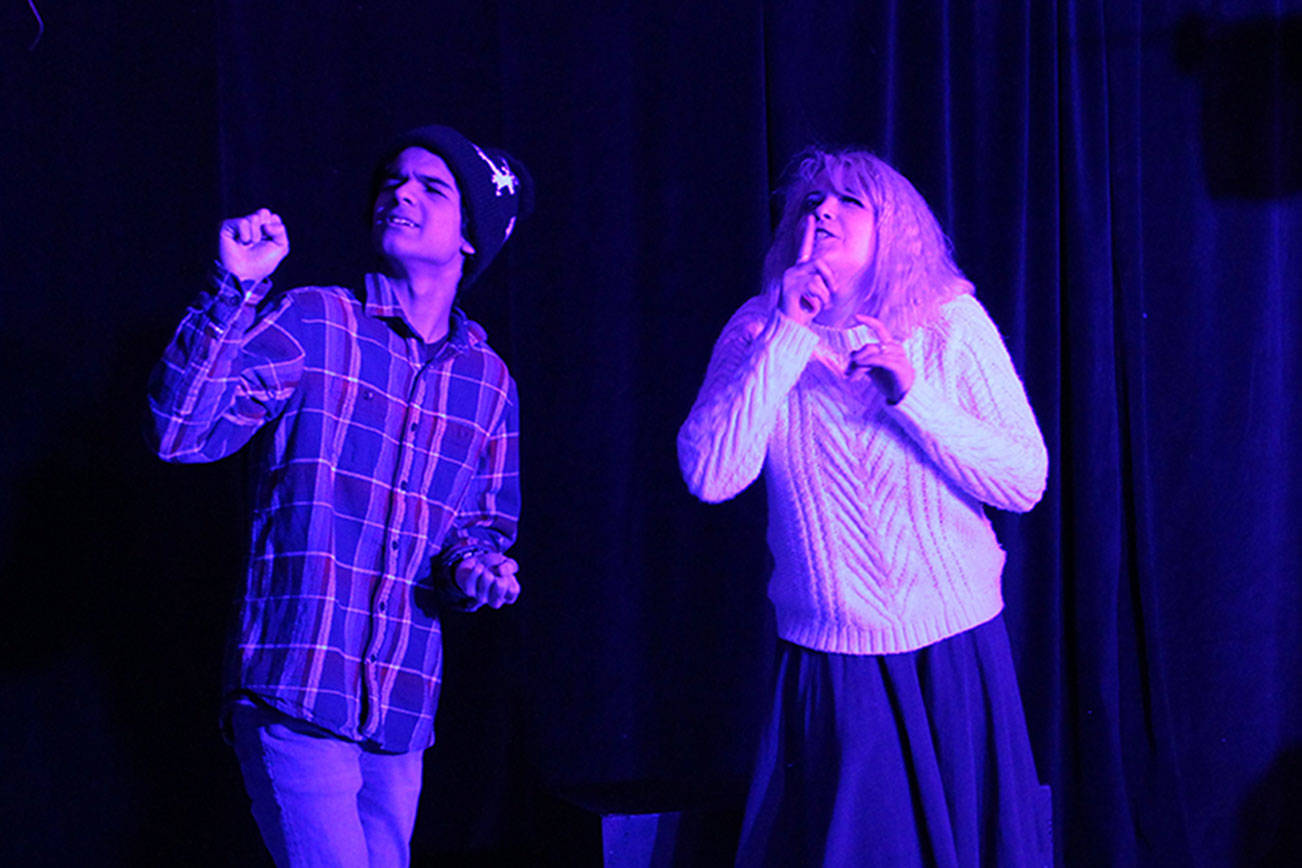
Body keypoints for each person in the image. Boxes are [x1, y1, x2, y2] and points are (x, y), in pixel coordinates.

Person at [146, 124, 534, 867]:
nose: (401, 193)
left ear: (471, 238)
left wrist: (480, 569)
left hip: (398, 712)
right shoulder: (318, 319)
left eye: (431, 187)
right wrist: (235, 290)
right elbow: (180, 434)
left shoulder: (488, 383)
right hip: (297, 685)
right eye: (394, 180)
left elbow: (476, 531)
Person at [677, 148, 1051, 866]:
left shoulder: (948, 323)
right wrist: (786, 337)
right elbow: (709, 475)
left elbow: (1024, 480)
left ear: (896, 230)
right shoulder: (757, 331)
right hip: (835, 660)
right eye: (812, 203)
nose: (823, 212)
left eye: (851, 202)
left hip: (954, 653)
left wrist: (914, 395)